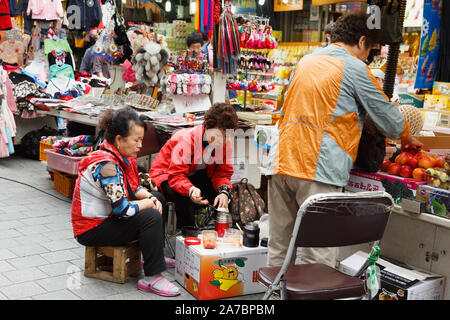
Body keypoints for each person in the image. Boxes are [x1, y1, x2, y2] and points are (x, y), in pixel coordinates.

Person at [265, 11, 423, 269]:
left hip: (280, 161)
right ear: (361, 42)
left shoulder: (306, 61)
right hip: (317, 169)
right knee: (317, 255)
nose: (367, 57)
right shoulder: (354, 67)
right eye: (369, 50)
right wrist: (407, 135)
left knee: (280, 247)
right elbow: (391, 120)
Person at [71, 106, 181, 297]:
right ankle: (152, 278)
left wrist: (149, 198)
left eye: (141, 140)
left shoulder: (121, 156)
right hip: (91, 229)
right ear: (119, 139)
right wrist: (147, 204)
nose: (140, 145)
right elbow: (123, 210)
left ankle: (153, 257)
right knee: (150, 216)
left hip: (107, 218)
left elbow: (132, 187)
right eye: (136, 140)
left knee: (158, 198)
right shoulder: (107, 166)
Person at [149, 103, 238, 227]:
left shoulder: (224, 142)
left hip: (193, 175)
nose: (223, 140)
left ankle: (218, 232)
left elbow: (222, 173)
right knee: (184, 200)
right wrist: (190, 190)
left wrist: (224, 192)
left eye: (227, 136)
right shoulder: (187, 139)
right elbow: (175, 175)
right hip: (167, 174)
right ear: (207, 127)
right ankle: (188, 235)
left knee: (223, 197)